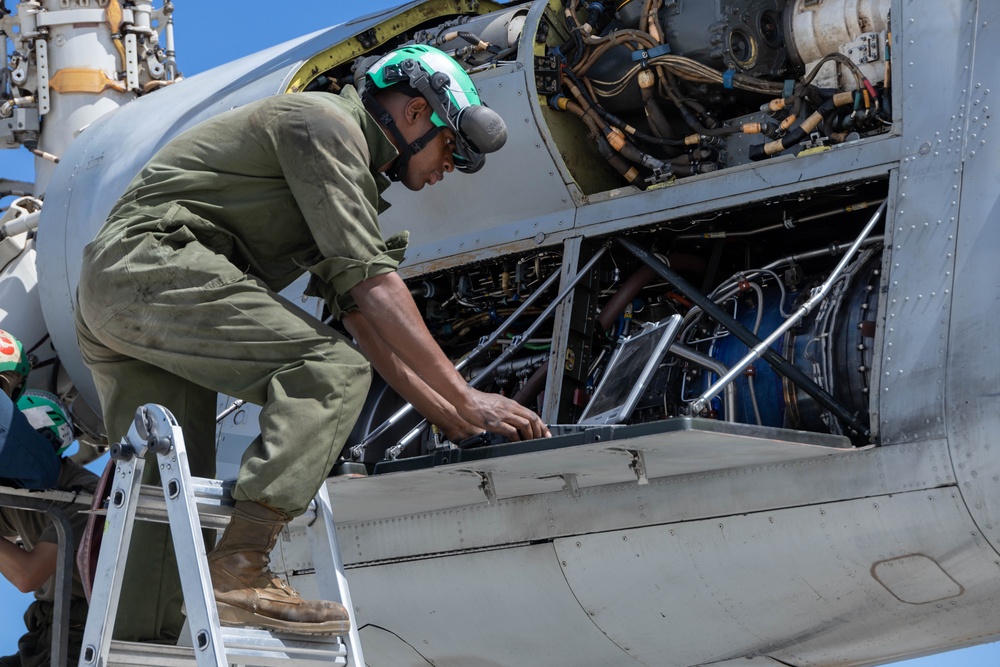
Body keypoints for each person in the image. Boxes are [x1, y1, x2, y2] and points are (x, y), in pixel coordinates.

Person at [74, 44, 550, 640]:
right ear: (413, 115)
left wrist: (456, 417)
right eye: (452, 146)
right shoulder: (323, 125)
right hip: (150, 269)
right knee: (329, 370)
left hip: (128, 295)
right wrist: (466, 393)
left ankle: (137, 642)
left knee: (164, 493)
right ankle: (241, 567)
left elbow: (364, 321)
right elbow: (374, 288)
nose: (449, 166)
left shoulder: (340, 166)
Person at [0, 329, 99, 667]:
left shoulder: (82, 494)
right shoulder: (18, 491)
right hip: (46, 629)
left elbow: (28, 575)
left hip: (83, 634)